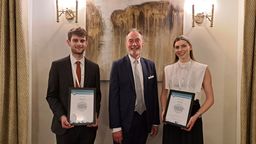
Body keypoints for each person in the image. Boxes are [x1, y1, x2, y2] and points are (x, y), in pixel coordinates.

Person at [46, 27, 101, 144]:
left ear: (86, 43)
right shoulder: (57, 66)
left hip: (88, 128)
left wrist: (95, 115)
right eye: (75, 40)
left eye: (82, 40)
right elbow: (51, 96)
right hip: (65, 127)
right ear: (68, 42)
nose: (79, 44)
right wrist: (61, 116)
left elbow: (97, 96)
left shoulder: (94, 68)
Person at [108, 28, 160, 144]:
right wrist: (116, 127)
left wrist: (155, 121)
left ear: (142, 43)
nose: (134, 44)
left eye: (137, 40)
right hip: (125, 122)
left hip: (144, 120)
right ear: (126, 44)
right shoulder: (117, 66)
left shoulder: (150, 65)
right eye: (131, 41)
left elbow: (154, 96)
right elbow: (113, 99)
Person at [160, 35, 214, 144]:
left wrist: (195, 117)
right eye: (177, 47)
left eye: (183, 46)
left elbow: (210, 99)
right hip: (172, 113)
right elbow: (164, 94)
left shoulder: (203, 69)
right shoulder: (168, 69)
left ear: (190, 47)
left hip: (193, 113)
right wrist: (164, 110)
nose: (180, 50)